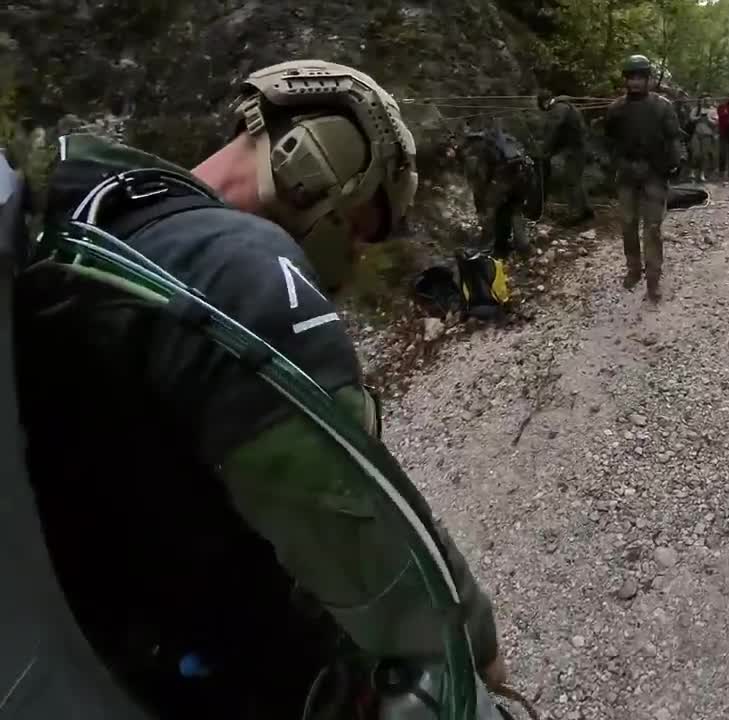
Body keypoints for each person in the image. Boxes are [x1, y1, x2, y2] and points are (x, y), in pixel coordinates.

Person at [13, 60, 505, 717]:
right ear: (329, 156)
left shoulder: (80, 222)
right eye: (361, 224)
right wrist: (475, 652)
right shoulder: (245, 269)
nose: (355, 253)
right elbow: (366, 537)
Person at [603, 53, 682, 302]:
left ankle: (653, 279)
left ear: (648, 79)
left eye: (640, 77)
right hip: (626, 172)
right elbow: (607, 141)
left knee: (652, 229)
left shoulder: (663, 107)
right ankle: (634, 269)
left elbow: (674, 138)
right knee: (627, 224)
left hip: (654, 173)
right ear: (626, 80)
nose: (635, 82)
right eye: (631, 77)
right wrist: (614, 164)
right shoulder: (616, 109)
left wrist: (673, 164)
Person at [462, 127, 536, 257]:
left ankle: (496, 249)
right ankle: (524, 247)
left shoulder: (476, 155)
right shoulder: (503, 143)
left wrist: (482, 209)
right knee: (513, 211)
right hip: (523, 179)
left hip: (505, 182)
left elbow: (479, 185)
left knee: (496, 213)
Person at [537, 90, 592, 224]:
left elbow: (553, 129)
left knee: (571, 182)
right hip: (579, 147)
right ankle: (586, 210)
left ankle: (575, 215)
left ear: (545, 103)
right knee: (576, 180)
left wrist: (543, 149)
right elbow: (562, 133)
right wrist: (551, 151)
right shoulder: (566, 106)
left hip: (575, 149)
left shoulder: (559, 108)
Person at [690, 100, 719, 182]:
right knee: (695, 154)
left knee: (704, 155)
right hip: (697, 134)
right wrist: (699, 117)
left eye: (709, 99)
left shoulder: (713, 110)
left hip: (707, 135)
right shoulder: (697, 109)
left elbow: (716, 122)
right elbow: (691, 119)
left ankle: (702, 173)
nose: (707, 101)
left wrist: (708, 119)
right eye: (705, 100)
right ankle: (692, 171)